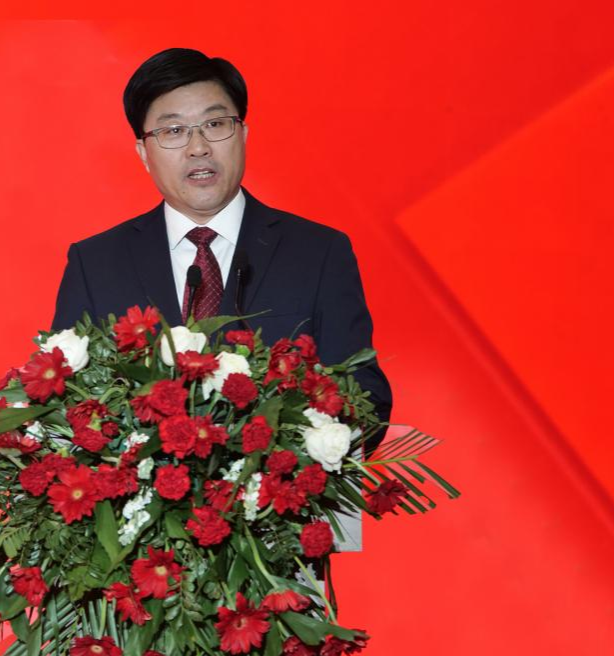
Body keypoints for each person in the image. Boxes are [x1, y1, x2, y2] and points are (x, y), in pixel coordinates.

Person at [51, 47, 392, 439]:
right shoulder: (95, 264)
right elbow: (65, 405)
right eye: (173, 131)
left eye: (215, 124)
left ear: (242, 135)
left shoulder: (319, 253)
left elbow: (365, 397)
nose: (198, 147)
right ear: (144, 153)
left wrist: (286, 450)